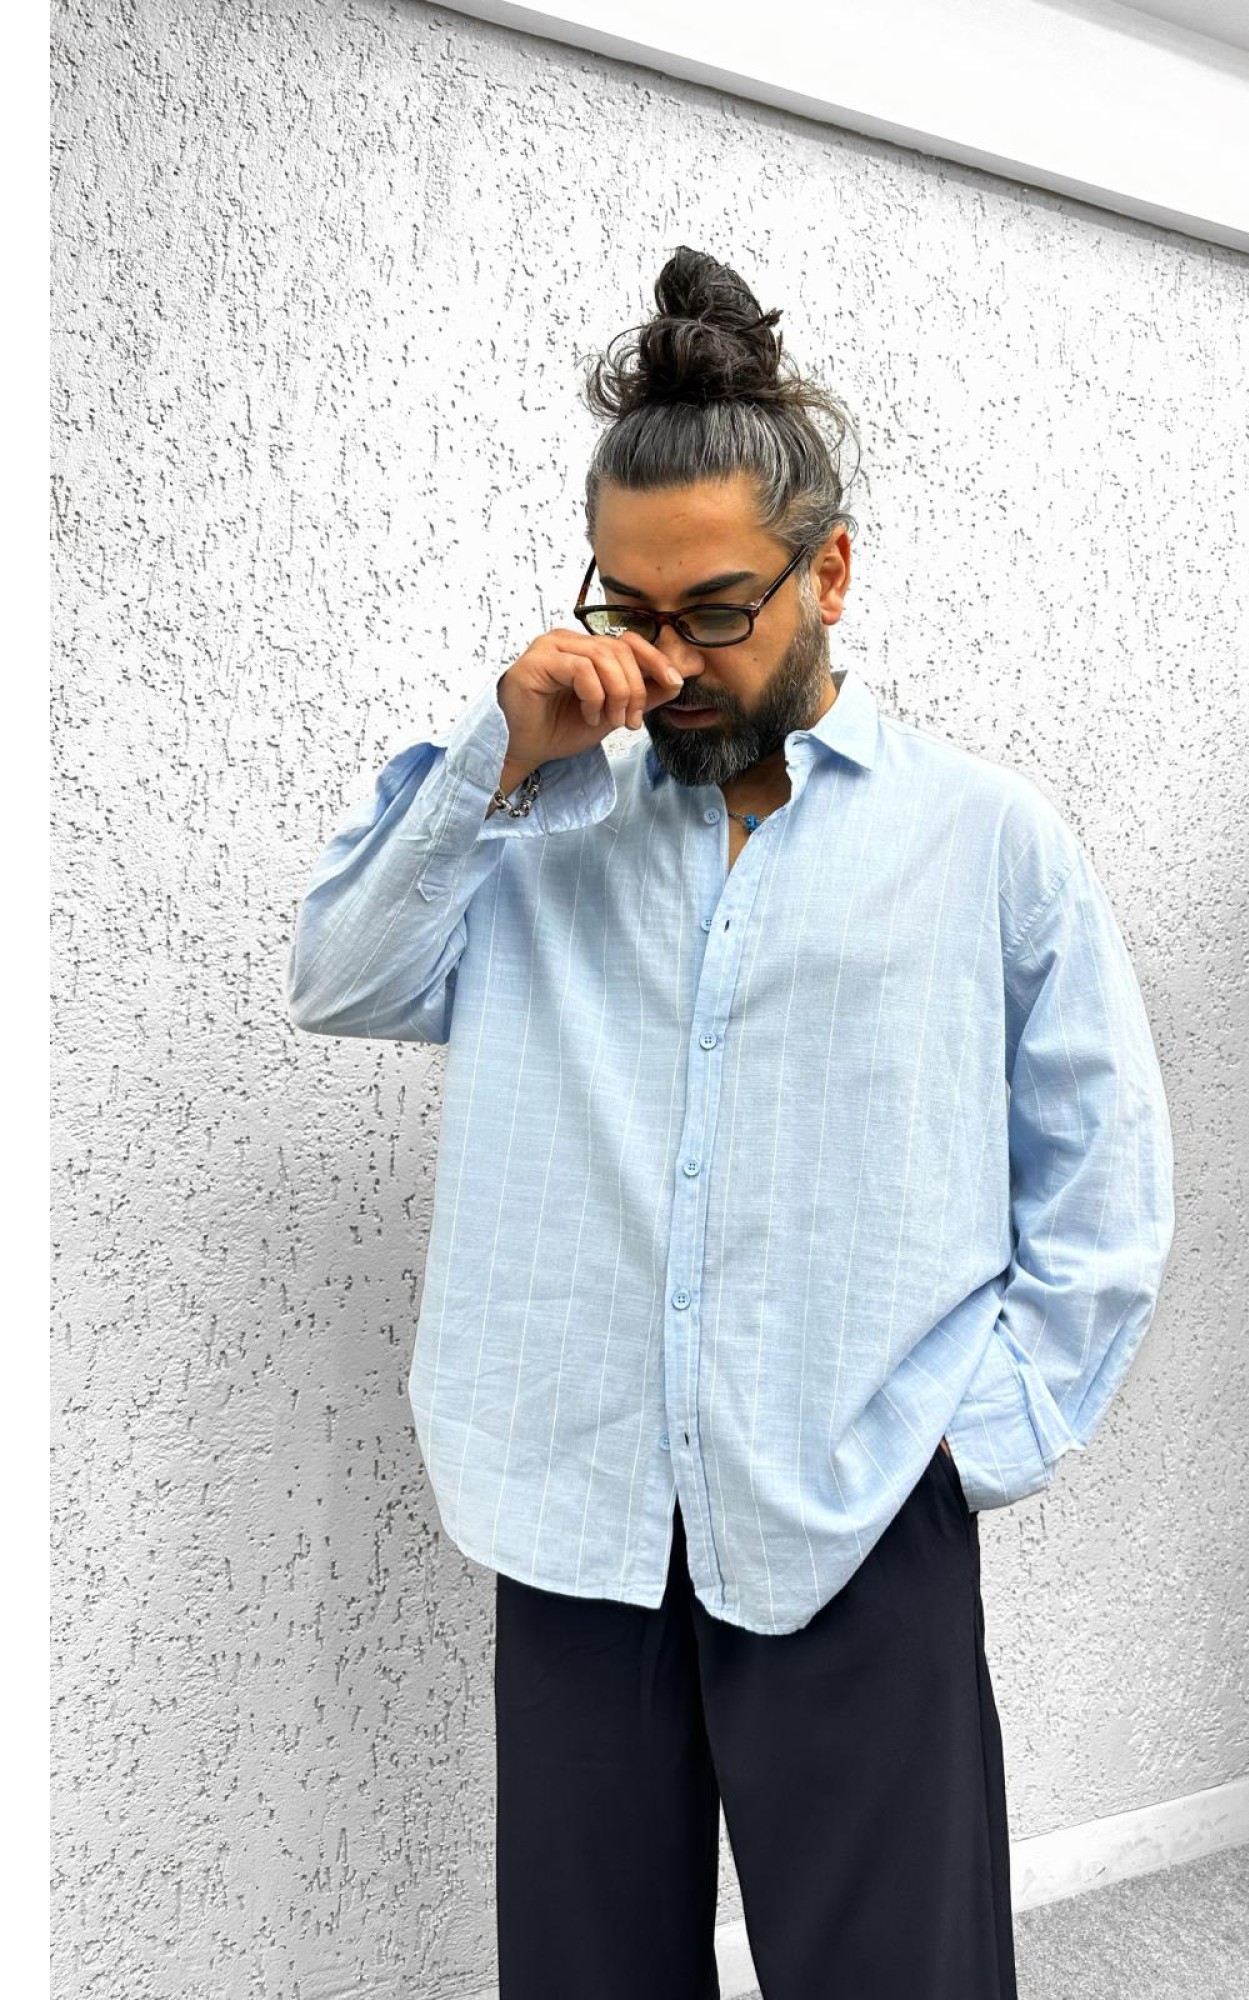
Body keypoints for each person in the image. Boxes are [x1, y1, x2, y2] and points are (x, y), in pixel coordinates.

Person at [285, 245, 1176, 2000]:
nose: (668, 659)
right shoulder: (538, 825)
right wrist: (503, 752)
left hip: (857, 1507)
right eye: (629, 607)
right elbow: (341, 979)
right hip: (578, 1509)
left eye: (715, 610)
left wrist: (959, 1456)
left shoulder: (984, 843)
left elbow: (1105, 1183)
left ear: (828, 572)